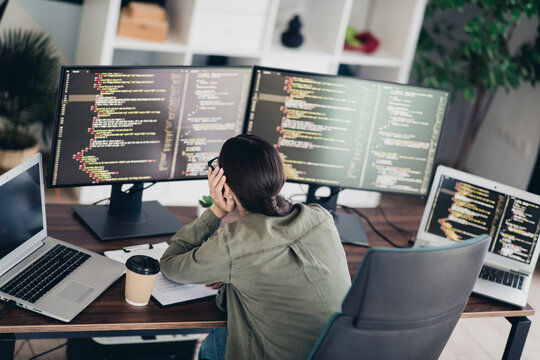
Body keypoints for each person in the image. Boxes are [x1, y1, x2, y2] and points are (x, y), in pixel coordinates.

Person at [160, 134, 351, 360]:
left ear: (224, 185)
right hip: (343, 352)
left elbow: (170, 265)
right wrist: (235, 273)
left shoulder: (235, 243)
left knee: (213, 345)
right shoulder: (320, 218)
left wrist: (216, 212)